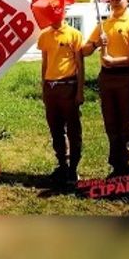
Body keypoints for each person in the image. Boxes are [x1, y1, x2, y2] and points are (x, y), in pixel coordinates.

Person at [80, 0, 129, 178]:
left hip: (127, 76)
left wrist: (119, 61)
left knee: (128, 123)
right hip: (107, 78)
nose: (115, 1)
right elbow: (84, 51)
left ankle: (127, 169)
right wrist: (95, 43)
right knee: (111, 123)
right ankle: (116, 167)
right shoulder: (104, 25)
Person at [36, 17, 85, 189]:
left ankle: (73, 168)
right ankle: (62, 165)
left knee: (73, 129)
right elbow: (45, 63)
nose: (53, 16)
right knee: (55, 127)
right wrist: (44, 87)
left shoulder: (74, 34)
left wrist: (80, 91)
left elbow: (80, 64)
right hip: (51, 87)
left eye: (57, 11)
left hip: (68, 85)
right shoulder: (44, 36)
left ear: (63, 13)